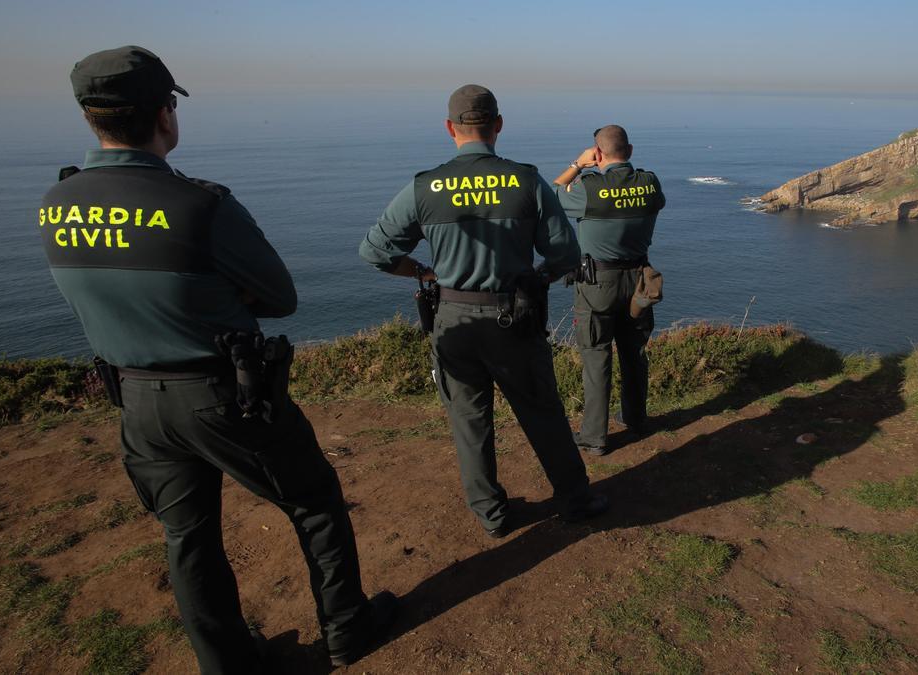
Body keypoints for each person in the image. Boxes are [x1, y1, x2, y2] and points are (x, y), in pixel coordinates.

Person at [39, 46, 394, 672]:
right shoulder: (199, 206)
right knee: (313, 500)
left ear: (91, 118)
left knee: (188, 535)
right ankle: (349, 628)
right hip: (222, 394)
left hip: (135, 403)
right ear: (164, 114)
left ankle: (226, 662)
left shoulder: (57, 204)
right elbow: (280, 298)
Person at [359, 84, 609, 539]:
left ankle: (491, 515)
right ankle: (575, 500)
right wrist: (536, 278)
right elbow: (564, 258)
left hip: (452, 320)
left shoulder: (425, 186)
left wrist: (426, 274)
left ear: (450, 128)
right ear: (498, 125)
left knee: (470, 422)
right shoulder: (527, 181)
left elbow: (374, 251)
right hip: (513, 319)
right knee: (542, 411)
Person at [552, 125, 666, 455]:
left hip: (597, 284)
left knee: (596, 357)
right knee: (634, 352)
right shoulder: (649, 183)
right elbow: (657, 203)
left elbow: (549, 196)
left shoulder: (588, 188)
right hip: (640, 281)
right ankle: (635, 417)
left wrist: (578, 163)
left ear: (598, 153)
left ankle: (594, 438)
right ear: (629, 151)